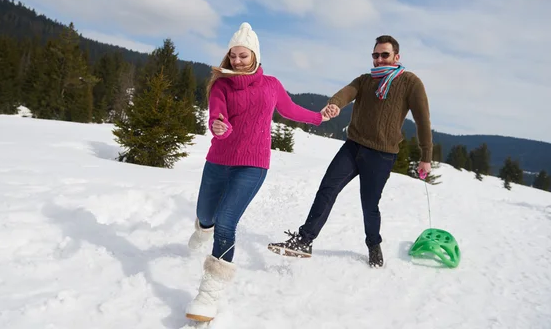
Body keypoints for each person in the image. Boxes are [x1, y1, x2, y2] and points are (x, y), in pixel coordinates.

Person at [185, 22, 331, 322]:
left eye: (243, 56)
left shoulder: (272, 85)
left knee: (226, 223)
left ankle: (208, 294)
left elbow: (290, 110)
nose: (237, 61)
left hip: (253, 164)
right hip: (219, 160)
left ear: (255, 56)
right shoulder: (221, 85)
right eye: (233, 56)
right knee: (207, 215)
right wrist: (219, 127)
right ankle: (202, 228)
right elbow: (216, 115)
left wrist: (319, 117)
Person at [267, 35, 433, 268]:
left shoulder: (411, 83)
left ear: (397, 56)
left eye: (384, 55)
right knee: (327, 188)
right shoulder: (366, 80)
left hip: (382, 154)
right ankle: (305, 240)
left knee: (369, 204)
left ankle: (373, 245)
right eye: (375, 55)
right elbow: (347, 92)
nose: (379, 59)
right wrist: (335, 103)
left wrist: (426, 156)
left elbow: (423, 120)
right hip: (353, 146)